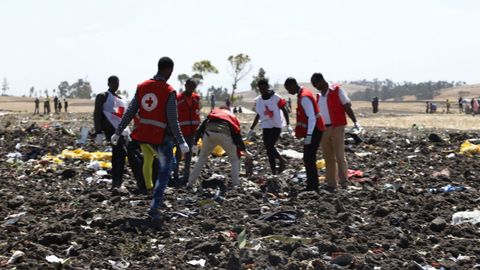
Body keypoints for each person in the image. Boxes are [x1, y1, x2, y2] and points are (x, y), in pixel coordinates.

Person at [112, 57, 189, 221]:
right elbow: (173, 120)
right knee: (164, 173)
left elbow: (130, 111)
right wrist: (181, 141)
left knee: (162, 162)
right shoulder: (169, 91)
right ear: (169, 70)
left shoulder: (142, 87)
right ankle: (154, 209)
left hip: (144, 136)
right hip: (161, 137)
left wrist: (118, 132)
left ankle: (154, 196)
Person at [93, 75, 145, 193]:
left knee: (130, 155)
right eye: (113, 83)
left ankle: (139, 181)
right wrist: (98, 131)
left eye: (117, 83)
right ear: (108, 83)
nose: (115, 85)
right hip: (111, 131)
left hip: (123, 131)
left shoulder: (122, 99)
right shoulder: (103, 96)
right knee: (119, 155)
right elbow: (97, 114)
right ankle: (117, 183)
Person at [311, 73, 359, 190]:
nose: (316, 87)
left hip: (337, 126)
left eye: (316, 84)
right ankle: (331, 184)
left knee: (339, 155)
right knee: (328, 157)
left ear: (322, 81)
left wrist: (355, 122)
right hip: (324, 129)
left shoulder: (336, 90)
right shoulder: (318, 97)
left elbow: (347, 106)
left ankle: (344, 182)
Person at [187, 107, 251, 188]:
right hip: (224, 134)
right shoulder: (231, 116)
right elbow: (237, 135)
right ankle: (235, 184)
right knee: (234, 159)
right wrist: (244, 149)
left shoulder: (214, 113)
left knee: (202, 158)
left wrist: (195, 142)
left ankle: (190, 183)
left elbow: (201, 127)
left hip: (209, 134)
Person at [284, 77, 325, 191]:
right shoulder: (303, 94)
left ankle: (312, 186)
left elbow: (311, 118)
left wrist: (309, 135)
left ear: (292, 85)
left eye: (288, 88)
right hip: (314, 130)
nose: (288, 92)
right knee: (309, 158)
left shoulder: (304, 97)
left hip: (315, 130)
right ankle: (312, 185)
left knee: (309, 158)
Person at [247, 78, 291, 175]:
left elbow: (284, 110)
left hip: (276, 125)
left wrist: (288, 124)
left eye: (264, 87)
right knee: (268, 148)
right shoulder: (259, 100)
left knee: (270, 145)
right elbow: (258, 115)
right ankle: (274, 171)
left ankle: (281, 161)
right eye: (260, 88)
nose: (262, 90)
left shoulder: (276, 97)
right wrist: (251, 129)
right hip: (266, 126)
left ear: (267, 87)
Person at [173, 78, 201, 185]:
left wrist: (198, 130)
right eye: (190, 86)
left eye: (194, 87)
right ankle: (175, 174)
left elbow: (197, 113)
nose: (192, 88)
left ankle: (186, 176)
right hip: (180, 131)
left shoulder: (196, 98)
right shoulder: (177, 98)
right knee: (178, 154)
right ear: (186, 85)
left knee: (188, 155)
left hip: (192, 131)